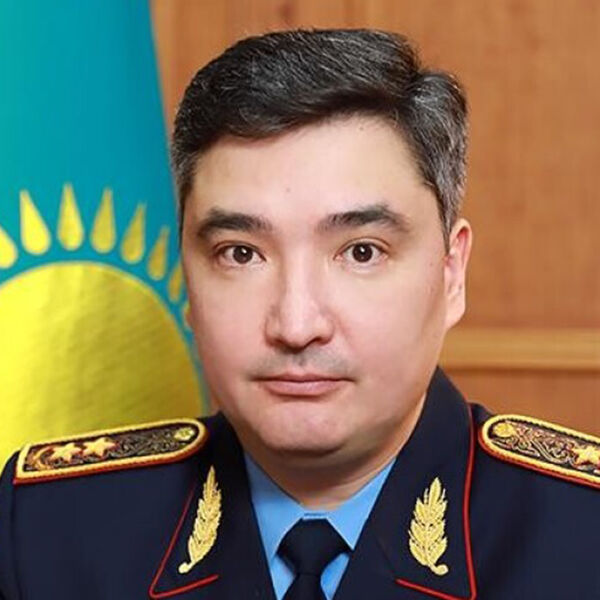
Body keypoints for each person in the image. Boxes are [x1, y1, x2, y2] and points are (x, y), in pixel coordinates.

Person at [0, 28, 598, 600]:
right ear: (188, 275)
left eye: (361, 252)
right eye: (241, 254)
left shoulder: (581, 533)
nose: (296, 325)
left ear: (451, 273)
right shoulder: (47, 530)